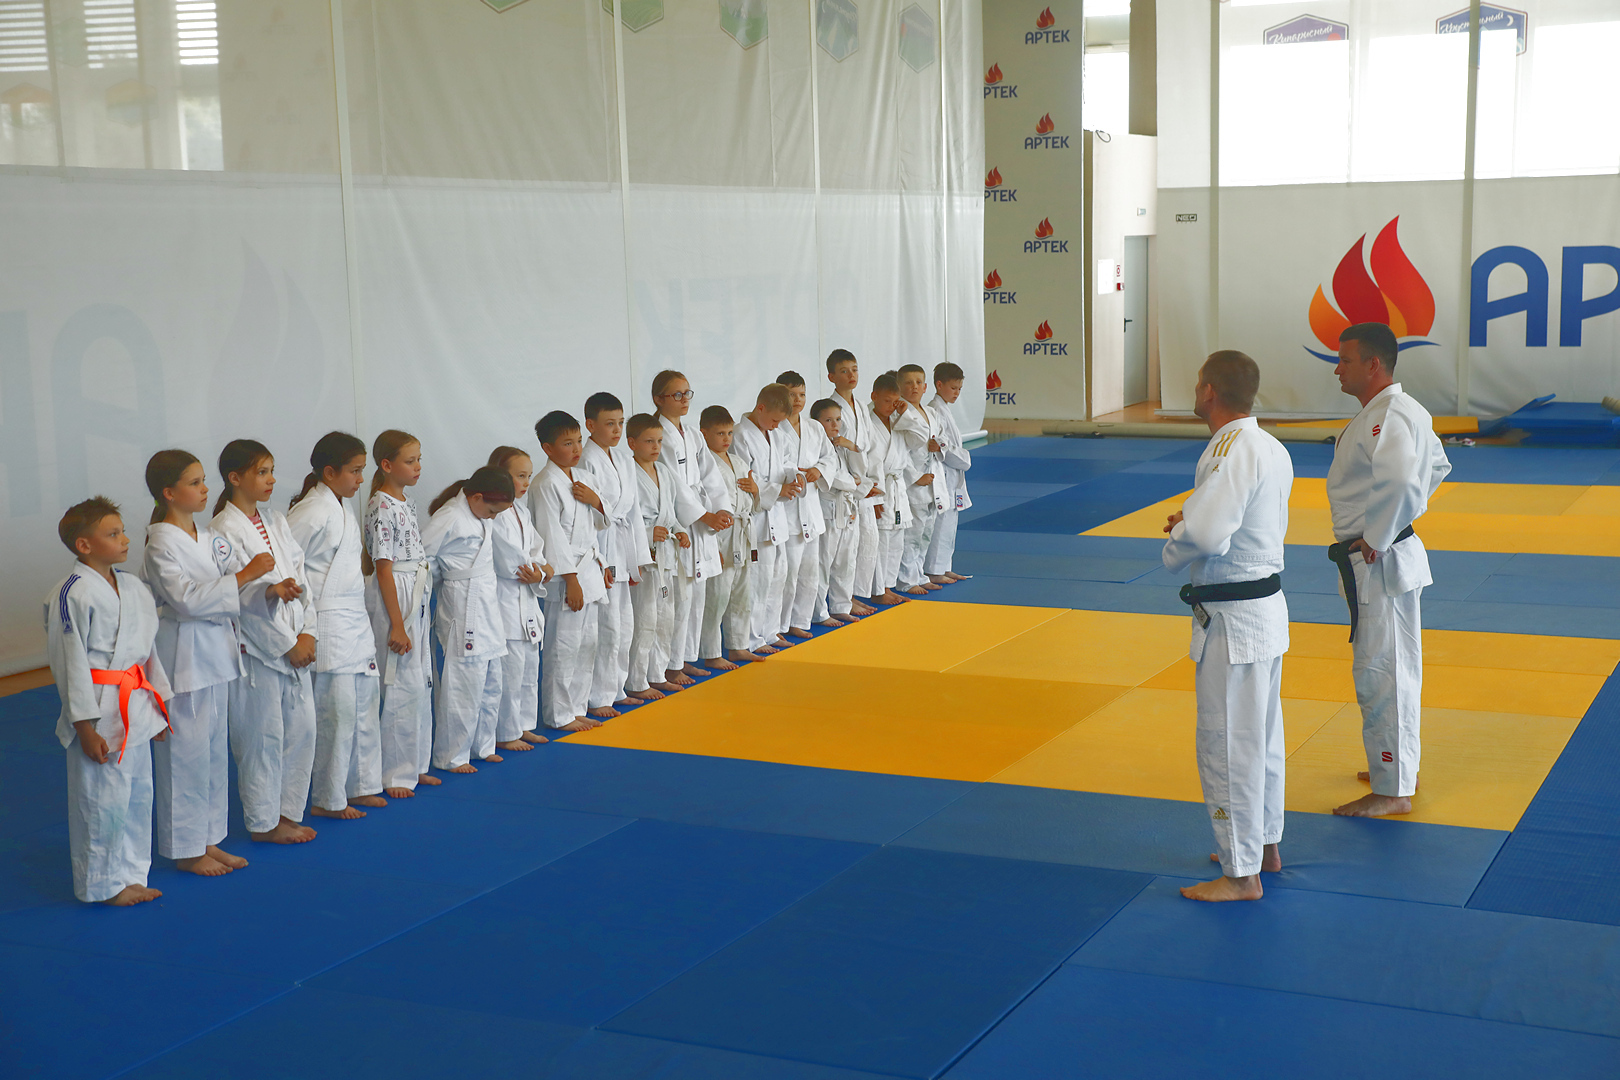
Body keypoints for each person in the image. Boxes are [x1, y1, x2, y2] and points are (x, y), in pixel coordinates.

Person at [1162, 351, 1293, 903]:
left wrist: (1178, 539)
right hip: (1263, 612)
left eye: (1198, 384)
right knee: (1260, 738)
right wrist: (1193, 520)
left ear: (1209, 391)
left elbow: (1209, 533)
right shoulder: (1269, 445)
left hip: (1234, 621)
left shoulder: (1229, 446)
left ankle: (1241, 875)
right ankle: (1263, 847)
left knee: (1226, 743)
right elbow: (1235, 522)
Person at [1327, 322, 1452, 818]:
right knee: (1389, 668)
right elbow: (1437, 466)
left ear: (1373, 364)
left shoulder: (1390, 415)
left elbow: (1403, 481)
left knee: (1383, 672)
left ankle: (1393, 789)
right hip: (1381, 556)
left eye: (1345, 360)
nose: (1337, 369)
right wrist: (1393, 522)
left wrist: (1379, 535)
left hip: (1381, 560)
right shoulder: (1399, 411)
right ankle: (1398, 767)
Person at [143, 450, 268, 877]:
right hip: (185, 656)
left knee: (214, 753)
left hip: (217, 652)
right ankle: (185, 848)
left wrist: (270, 590)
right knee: (185, 755)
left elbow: (239, 585)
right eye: (194, 483)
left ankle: (209, 838)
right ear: (168, 492)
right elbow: (187, 600)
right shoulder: (160, 543)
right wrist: (245, 576)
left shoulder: (210, 537)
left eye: (202, 480)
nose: (204, 489)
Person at [49, 497, 173, 905]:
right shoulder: (71, 593)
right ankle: (101, 885)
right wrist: (84, 725)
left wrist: (157, 708)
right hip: (99, 710)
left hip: (135, 701)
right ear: (84, 545)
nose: (125, 540)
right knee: (101, 801)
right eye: (113, 534)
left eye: (122, 531)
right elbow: (69, 663)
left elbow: (147, 651)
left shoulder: (133, 586)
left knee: (137, 796)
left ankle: (131, 874)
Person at [211, 439, 318, 845]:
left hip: (294, 639)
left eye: (271, 471)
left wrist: (307, 631)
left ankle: (288, 811)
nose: (271, 479)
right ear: (235, 478)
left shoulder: (275, 520)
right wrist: (286, 644)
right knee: (261, 737)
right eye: (261, 472)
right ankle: (263, 822)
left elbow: (302, 578)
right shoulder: (222, 530)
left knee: (302, 730)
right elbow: (235, 596)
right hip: (257, 651)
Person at [288, 432, 386, 821]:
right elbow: (286, 565)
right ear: (329, 472)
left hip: (353, 618)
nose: (361, 479)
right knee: (337, 713)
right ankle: (328, 797)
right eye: (355, 471)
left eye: (362, 470)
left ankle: (360, 785)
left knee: (364, 705)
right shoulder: (312, 511)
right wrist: (300, 626)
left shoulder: (340, 507)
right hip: (327, 620)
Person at [362, 430, 437, 798]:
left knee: (420, 680)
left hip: (415, 590)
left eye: (419, 459)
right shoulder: (381, 505)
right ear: (387, 465)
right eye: (410, 461)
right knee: (399, 684)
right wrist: (396, 624)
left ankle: (416, 763)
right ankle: (394, 773)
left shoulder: (406, 501)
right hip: (395, 595)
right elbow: (383, 569)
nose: (418, 466)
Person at [423, 466, 513, 771]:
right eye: (491, 510)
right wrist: (441, 581)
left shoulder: (477, 514)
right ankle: (452, 755)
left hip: (486, 602)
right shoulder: (450, 516)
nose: (492, 517)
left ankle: (482, 745)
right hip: (464, 605)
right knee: (463, 685)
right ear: (476, 497)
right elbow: (423, 558)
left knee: (491, 681)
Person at [531, 411, 611, 731]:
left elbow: (599, 526)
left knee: (588, 643)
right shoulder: (544, 483)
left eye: (578, 441)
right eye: (567, 443)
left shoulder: (584, 477)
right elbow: (551, 535)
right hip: (568, 575)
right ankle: (559, 714)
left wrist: (596, 501)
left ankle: (578, 707)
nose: (577, 449)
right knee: (563, 646)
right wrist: (571, 580)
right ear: (548, 448)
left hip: (589, 567)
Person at [627, 413, 707, 696]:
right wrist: (649, 533)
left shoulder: (664, 471)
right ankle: (637, 681)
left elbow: (670, 512)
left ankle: (657, 673)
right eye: (649, 441)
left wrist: (680, 530)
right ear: (632, 443)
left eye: (659, 441)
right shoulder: (628, 474)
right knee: (645, 619)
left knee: (666, 617)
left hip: (667, 554)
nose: (656, 447)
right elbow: (627, 518)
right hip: (645, 555)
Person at [651, 370, 714, 686]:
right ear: (658, 399)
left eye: (687, 393)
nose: (684, 399)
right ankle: (670, 665)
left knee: (697, 594)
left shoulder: (693, 434)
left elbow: (710, 474)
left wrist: (720, 508)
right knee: (679, 597)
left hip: (699, 517)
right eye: (676, 394)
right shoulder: (659, 435)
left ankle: (685, 658)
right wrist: (702, 515)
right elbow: (674, 483)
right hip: (679, 522)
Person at [579, 393, 640, 718]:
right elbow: (588, 513)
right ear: (590, 425)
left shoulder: (624, 459)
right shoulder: (586, 460)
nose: (617, 430)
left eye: (620, 423)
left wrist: (637, 559)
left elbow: (631, 510)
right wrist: (600, 561)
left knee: (624, 624)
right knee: (607, 626)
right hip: (601, 545)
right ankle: (599, 696)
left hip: (621, 543)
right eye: (609, 424)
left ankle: (617, 688)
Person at [488, 446, 552, 751]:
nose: (526, 482)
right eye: (520, 476)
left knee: (529, 668)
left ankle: (524, 725)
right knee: (510, 673)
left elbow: (538, 552)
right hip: (506, 598)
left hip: (527, 599)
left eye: (529, 476)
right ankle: (506, 732)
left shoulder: (522, 512)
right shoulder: (495, 515)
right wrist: (539, 571)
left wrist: (542, 569)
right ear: (501, 475)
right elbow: (510, 562)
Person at [732, 384, 803, 654]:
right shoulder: (740, 435)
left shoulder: (776, 433)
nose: (776, 426)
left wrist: (794, 477)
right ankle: (751, 638)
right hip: (756, 519)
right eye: (774, 420)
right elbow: (745, 480)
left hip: (776, 516)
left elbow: (787, 464)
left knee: (778, 577)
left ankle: (770, 632)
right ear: (760, 408)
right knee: (757, 582)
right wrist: (777, 490)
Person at [778, 371, 841, 639]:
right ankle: (780, 625)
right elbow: (774, 465)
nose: (797, 400)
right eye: (791, 394)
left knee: (809, 570)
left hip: (811, 508)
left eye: (802, 394)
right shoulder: (774, 428)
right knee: (788, 573)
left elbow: (830, 457)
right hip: (788, 506)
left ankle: (801, 620)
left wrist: (819, 470)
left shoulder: (814, 427)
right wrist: (797, 473)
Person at [696, 405, 756, 668]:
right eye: (720, 433)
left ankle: (738, 646)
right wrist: (712, 546)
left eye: (729, 433)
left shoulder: (739, 462)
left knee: (742, 593)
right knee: (717, 595)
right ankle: (711, 652)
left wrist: (755, 490)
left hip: (742, 531)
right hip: (719, 534)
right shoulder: (703, 464)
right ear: (704, 433)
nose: (726, 438)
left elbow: (752, 500)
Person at [826, 350, 878, 620]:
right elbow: (835, 447)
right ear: (831, 376)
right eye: (844, 371)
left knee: (865, 543)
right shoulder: (830, 409)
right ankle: (843, 600)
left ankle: (852, 596)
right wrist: (858, 483)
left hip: (863, 481)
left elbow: (869, 445)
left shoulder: (860, 406)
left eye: (854, 369)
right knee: (842, 552)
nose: (851, 375)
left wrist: (871, 482)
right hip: (846, 483)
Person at [894, 364, 949, 595]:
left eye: (918, 382)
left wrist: (939, 445)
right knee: (912, 534)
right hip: (914, 483)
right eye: (908, 383)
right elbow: (898, 452)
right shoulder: (898, 414)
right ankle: (906, 580)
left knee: (926, 532)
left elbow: (943, 437)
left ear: (926, 387)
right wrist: (916, 477)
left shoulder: (931, 412)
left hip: (933, 480)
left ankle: (920, 574)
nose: (914, 387)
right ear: (899, 387)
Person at [810, 398, 862, 626]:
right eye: (828, 420)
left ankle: (841, 606)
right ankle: (819, 612)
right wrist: (852, 482)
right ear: (816, 423)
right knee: (823, 563)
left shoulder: (840, 445)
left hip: (846, 509)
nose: (834, 425)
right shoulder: (814, 446)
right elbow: (829, 478)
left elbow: (861, 471)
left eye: (838, 419)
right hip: (827, 509)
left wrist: (852, 447)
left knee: (846, 561)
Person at [866, 372, 912, 606]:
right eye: (886, 401)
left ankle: (889, 585)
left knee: (896, 539)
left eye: (895, 402)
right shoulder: (867, 423)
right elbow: (867, 462)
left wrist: (906, 414)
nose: (890, 406)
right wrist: (874, 498)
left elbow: (919, 441)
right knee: (880, 541)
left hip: (896, 486)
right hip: (879, 487)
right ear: (874, 396)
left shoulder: (899, 420)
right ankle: (877, 589)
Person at [925, 362, 973, 584]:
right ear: (939, 384)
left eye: (959, 389)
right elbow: (938, 445)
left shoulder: (944, 409)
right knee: (941, 524)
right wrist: (961, 457)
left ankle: (945, 566)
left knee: (950, 524)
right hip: (942, 475)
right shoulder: (934, 410)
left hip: (952, 476)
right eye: (953, 388)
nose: (957, 393)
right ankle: (933, 570)